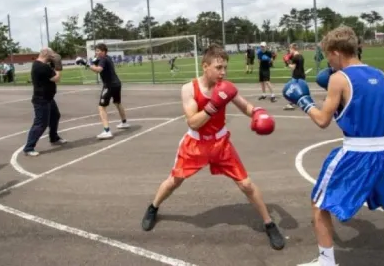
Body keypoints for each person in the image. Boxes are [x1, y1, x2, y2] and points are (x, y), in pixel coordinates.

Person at [282, 26, 384, 266]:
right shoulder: (380, 74)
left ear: (337, 53)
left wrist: (303, 101)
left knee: (319, 202)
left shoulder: (339, 78)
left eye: (328, 55)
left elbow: (322, 120)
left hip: (358, 153)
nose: (328, 60)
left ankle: (326, 261)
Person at [140, 44, 286, 251]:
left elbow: (245, 106)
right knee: (175, 181)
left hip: (220, 143)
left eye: (225, 67)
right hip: (195, 143)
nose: (223, 72)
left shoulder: (225, 86)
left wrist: (259, 113)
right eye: (218, 67)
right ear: (205, 66)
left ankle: (269, 223)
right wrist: (213, 105)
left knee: (246, 185)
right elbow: (193, 122)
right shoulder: (189, 89)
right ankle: (153, 208)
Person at [22, 48, 67, 157]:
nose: (53, 56)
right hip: (42, 99)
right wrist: (58, 67)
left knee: (55, 116)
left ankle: (54, 138)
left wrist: (53, 65)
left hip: (48, 97)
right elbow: (56, 78)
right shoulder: (41, 67)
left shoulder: (41, 65)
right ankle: (29, 147)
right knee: (41, 123)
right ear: (46, 54)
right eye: (51, 54)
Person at [87, 43, 129, 140]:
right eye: (96, 50)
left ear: (103, 51)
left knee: (101, 107)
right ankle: (124, 122)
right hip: (117, 83)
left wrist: (87, 64)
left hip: (109, 85)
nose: (96, 52)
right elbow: (97, 65)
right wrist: (93, 62)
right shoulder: (107, 58)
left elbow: (98, 70)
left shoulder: (103, 59)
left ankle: (107, 131)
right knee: (117, 103)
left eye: (98, 51)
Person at [283, 43, 305, 111]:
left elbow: (292, 67)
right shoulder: (300, 56)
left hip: (296, 75)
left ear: (292, 49)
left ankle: (291, 103)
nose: (289, 50)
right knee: (300, 89)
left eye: (290, 49)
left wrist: (287, 62)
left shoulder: (295, 57)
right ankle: (302, 102)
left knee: (291, 89)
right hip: (302, 74)